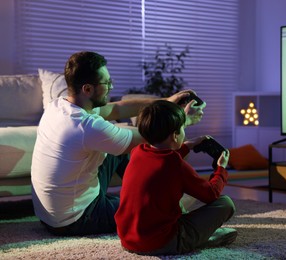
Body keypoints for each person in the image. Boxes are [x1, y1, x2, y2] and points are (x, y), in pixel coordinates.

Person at [31, 51, 205, 236]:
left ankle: (143, 192)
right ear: (88, 89)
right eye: (106, 83)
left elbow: (116, 108)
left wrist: (166, 101)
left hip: (51, 213)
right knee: (152, 210)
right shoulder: (86, 127)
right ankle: (150, 199)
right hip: (75, 219)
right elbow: (153, 136)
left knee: (118, 148)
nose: (112, 86)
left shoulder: (58, 106)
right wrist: (182, 121)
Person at [115, 100, 237, 255]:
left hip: (127, 239)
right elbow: (211, 194)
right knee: (225, 203)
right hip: (161, 243)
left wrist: (187, 145)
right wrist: (221, 168)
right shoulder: (176, 165)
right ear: (175, 135)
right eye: (182, 128)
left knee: (178, 206)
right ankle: (199, 240)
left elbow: (160, 160)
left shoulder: (138, 152)